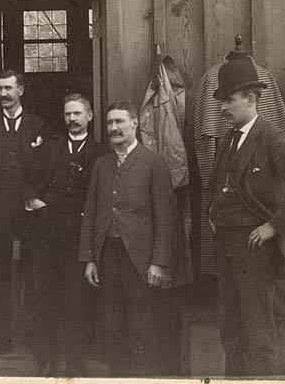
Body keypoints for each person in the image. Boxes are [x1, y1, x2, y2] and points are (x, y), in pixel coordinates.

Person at [208, 58, 285, 377]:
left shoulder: (271, 137)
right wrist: (214, 212)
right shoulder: (230, 138)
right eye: (222, 101)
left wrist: (274, 227)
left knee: (257, 334)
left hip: (254, 249)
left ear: (251, 99)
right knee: (231, 329)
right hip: (227, 244)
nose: (223, 108)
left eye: (229, 100)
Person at [79, 101, 177, 376]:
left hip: (141, 258)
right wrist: (89, 259)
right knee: (112, 322)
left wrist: (159, 262)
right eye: (110, 123)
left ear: (134, 123)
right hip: (108, 253)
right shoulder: (102, 164)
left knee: (141, 321)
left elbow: (165, 217)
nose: (114, 128)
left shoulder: (152, 161)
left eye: (120, 121)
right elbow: (91, 214)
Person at [26, 93, 104, 376]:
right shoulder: (49, 148)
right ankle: (46, 359)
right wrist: (35, 201)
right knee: (44, 295)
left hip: (79, 235)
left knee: (76, 299)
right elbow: (30, 182)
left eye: (77, 114)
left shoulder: (100, 153)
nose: (72, 119)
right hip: (47, 232)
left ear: (89, 116)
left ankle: (75, 363)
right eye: (68, 114)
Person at [0, 69, 45, 356]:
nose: (3, 94)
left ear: (21, 90)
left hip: (29, 208)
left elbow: (44, 168)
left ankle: (35, 338)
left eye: (8, 88)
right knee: (0, 273)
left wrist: (35, 197)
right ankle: (1, 339)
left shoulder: (37, 125)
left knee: (34, 271)